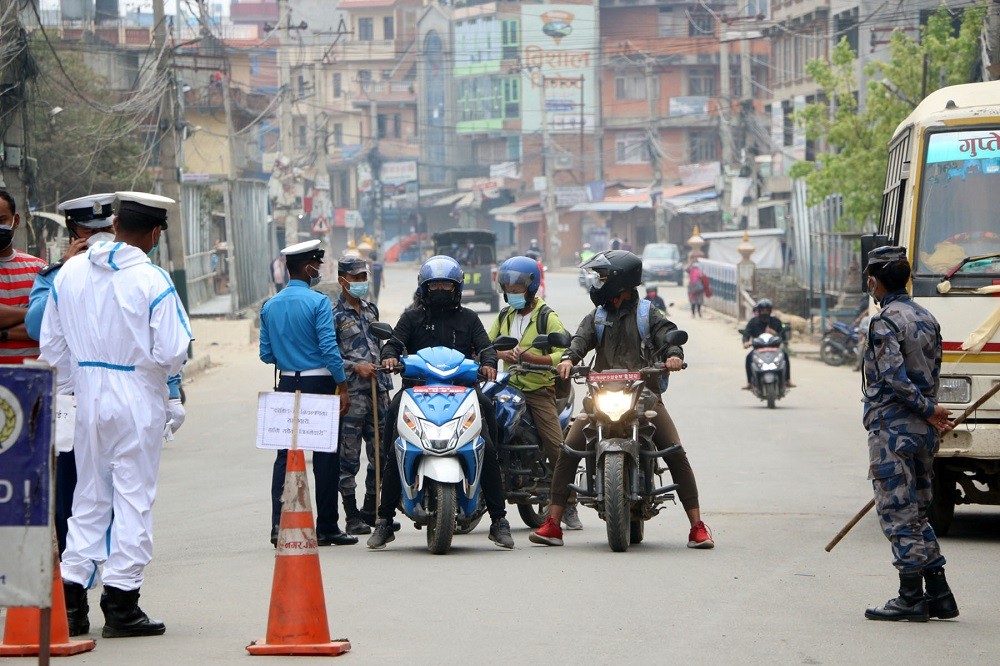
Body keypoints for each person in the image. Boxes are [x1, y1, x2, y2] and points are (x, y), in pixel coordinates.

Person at [41, 191, 191, 638]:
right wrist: (168, 389)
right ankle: (122, 604)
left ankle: (71, 604)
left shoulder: (68, 272)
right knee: (132, 499)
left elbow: (52, 346)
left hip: (86, 393)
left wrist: (73, 387)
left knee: (88, 497)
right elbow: (172, 350)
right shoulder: (151, 279)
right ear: (153, 232)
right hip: (135, 394)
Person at [529, 250, 714, 549]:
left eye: (602, 277)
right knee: (567, 450)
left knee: (675, 451)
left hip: (645, 397)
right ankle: (553, 523)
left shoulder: (647, 314)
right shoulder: (598, 317)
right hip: (601, 396)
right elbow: (579, 341)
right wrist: (567, 359)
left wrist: (674, 356)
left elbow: (667, 334)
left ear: (619, 280)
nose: (598, 283)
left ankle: (697, 526)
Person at [366, 255, 514, 550]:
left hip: (463, 392)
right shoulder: (411, 318)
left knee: (485, 436)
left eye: (447, 285)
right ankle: (384, 521)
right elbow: (393, 343)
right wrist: (390, 357)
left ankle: (499, 521)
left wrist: (488, 363)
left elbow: (486, 347)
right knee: (396, 441)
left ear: (457, 288)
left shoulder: (469, 318)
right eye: (435, 285)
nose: (441, 290)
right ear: (424, 288)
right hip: (417, 392)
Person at [861, 245, 957, 622]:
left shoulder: (885, 321)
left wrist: (928, 409)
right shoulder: (926, 316)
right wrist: (930, 412)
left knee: (897, 513)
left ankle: (910, 598)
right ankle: (939, 594)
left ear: (874, 281)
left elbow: (894, 380)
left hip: (893, 431)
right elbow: (933, 374)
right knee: (917, 513)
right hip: (921, 434)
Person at [259, 240, 355, 547]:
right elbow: (329, 348)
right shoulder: (318, 303)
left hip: (287, 383)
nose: (319, 269)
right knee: (326, 459)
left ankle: (278, 524)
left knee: (284, 458)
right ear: (309, 267)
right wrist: (342, 384)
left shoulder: (270, 305)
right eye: (317, 263)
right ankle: (327, 526)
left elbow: (266, 354)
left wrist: (290, 357)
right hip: (320, 385)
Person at [487, 256, 582, 531]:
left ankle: (571, 502)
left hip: (539, 390)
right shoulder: (505, 315)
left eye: (518, 287)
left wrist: (534, 359)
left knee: (556, 446)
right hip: (506, 388)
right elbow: (486, 344)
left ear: (531, 287)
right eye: (508, 287)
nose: (512, 292)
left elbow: (563, 353)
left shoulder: (546, 316)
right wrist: (501, 354)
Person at [332, 256, 392, 534]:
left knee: (381, 453)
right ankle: (351, 514)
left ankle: (372, 507)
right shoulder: (334, 315)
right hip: (353, 394)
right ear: (343, 280)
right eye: (355, 278)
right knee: (349, 457)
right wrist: (355, 367)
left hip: (377, 391)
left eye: (363, 277)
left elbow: (379, 347)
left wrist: (385, 375)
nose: (361, 283)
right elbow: (328, 357)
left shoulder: (370, 310)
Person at [0, 189, 47, 363]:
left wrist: (5, 332)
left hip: (31, 380)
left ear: (16, 220)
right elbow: (40, 319)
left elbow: (49, 324)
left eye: (1, 220)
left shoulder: (39, 269)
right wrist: (33, 314)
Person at [741, 298, 793, 389]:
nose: (764, 312)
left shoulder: (776, 321)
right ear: (759, 311)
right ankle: (749, 382)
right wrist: (746, 342)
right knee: (749, 358)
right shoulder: (753, 322)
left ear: (770, 311)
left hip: (774, 348)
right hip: (758, 349)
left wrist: (775, 333)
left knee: (785, 356)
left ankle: (788, 380)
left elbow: (783, 334)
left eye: (767, 310)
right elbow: (746, 333)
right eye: (762, 310)